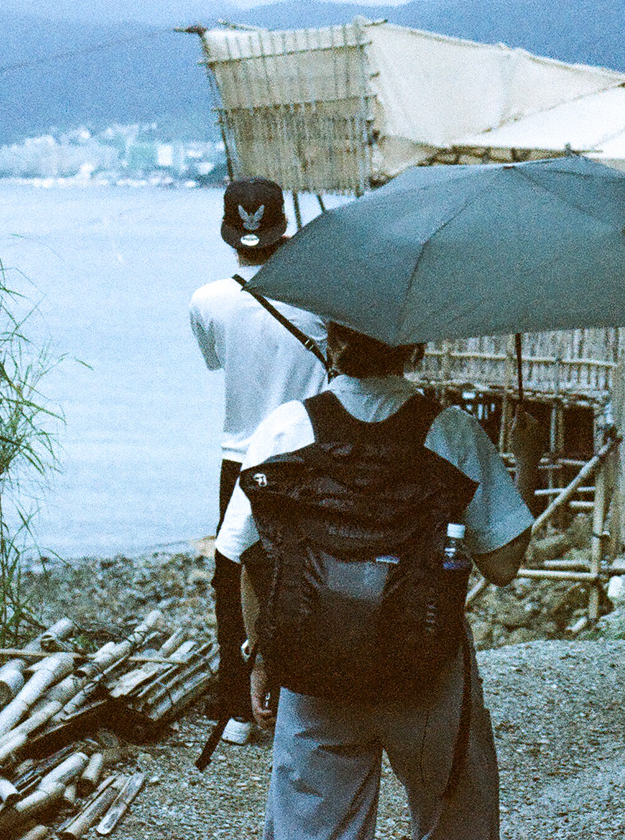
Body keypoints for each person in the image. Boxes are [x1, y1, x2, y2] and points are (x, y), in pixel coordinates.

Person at [219, 322, 533, 840]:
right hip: (426, 669)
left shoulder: (287, 426)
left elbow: (249, 558)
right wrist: (528, 462)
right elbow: (503, 565)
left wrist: (263, 659)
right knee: (455, 823)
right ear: (415, 348)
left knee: (312, 829)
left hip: (314, 669)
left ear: (333, 344)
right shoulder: (450, 430)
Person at [189, 178, 328, 745]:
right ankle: (310, 697)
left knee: (234, 577)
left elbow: (218, 362)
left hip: (241, 456)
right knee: (315, 572)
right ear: (284, 231)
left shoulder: (206, 300)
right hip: (311, 451)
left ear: (230, 234)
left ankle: (239, 711)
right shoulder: (319, 299)